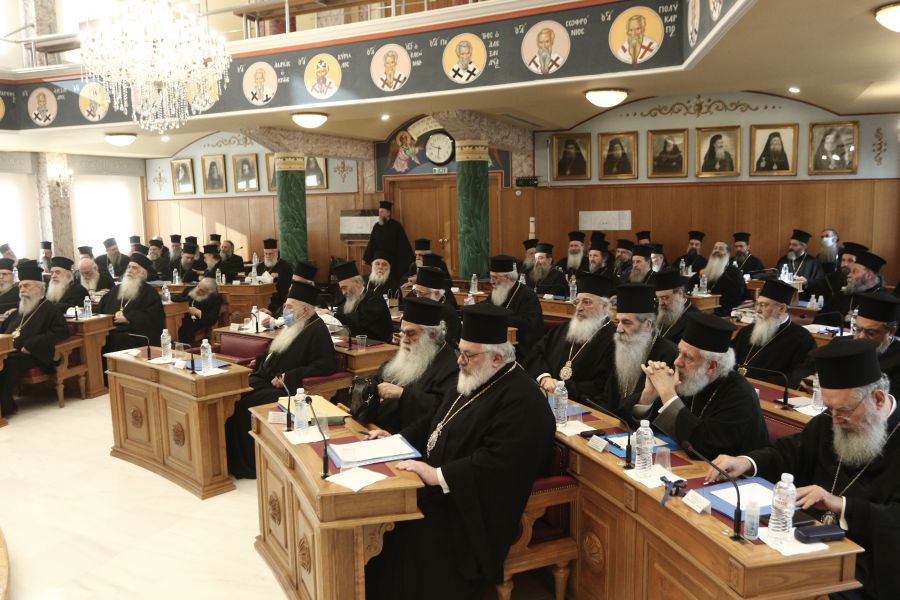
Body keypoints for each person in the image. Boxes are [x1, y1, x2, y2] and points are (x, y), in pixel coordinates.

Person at [365, 303, 555, 599]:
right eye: (460, 352)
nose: (460, 361)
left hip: (471, 510)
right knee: (381, 517)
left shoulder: (524, 400)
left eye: (468, 355)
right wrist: (395, 441)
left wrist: (438, 475)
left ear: (497, 358)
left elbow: (500, 464)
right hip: (442, 491)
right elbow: (433, 421)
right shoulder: (472, 377)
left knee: (407, 534)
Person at [709, 339, 900, 600]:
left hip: (869, 565)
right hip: (807, 541)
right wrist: (745, 462)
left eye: (843, 411)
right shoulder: (829, 421)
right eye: (830, 409)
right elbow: (787, 454)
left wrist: (841, 505)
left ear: (877, 399)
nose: (835, 421)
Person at [225, 282, 337, 479]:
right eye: (285, 305)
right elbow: (277, 352)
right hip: (267, 379)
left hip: (289, 390)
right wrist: (260, 360)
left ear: (304, 310)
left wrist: (290, 376)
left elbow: (325, 366)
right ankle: (231, 461)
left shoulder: (317, 329)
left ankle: (249, 465)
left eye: (289, 307)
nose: (284, 310)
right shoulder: (296, 325)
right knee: (232, 394)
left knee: (243, 404)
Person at [631, 312, 770, 456]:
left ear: (711, 366)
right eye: (679, 352)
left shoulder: (740, 396)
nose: (677, 362)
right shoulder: (691, 380)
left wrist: (668, 395)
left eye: (688, 357)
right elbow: (648, 428)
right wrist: (648, 397)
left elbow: (705, 447)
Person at [526, 271, 617, 404]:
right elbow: (537, 352)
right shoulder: (564, 329)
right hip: (546, 395)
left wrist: (561, 386)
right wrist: (545, 377)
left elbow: (602, 384)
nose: (579, 308)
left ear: (604, 307)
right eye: (577, 302)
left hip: (580, 404)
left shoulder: (613, 339)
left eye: (587, 302)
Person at [374, 297, 459, 433]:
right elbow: (383, 374)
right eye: (402, 333)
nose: (404, 340)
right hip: (378, 427)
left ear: (432, 334)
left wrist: (403, 394)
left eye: (410, 333)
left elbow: (442, 408)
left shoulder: (450, 366)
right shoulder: (413, 350)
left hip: (408, 435)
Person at [593, 284, 678, 416]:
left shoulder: (669, 353)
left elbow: (662, 411)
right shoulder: (623, 346)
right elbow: (607, 395)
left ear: (648, 325)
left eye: (626, 322)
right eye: (618, 321)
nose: (618, 329)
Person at [0, 264, 68, 418]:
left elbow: (61, 331)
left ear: (39, 288)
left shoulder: (50, 309)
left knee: (9, 363)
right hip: (10, 351)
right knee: (5, 358)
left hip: (33, 354)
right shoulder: (18, 310)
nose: (22, 289)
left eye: (27, 286)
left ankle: (4, 406)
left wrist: (32, 344)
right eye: (20, 286)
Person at [731, 279, 816, 388]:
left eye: (763, 305)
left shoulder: (802, 338)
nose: (758, 310)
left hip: (770, 391)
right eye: (757, 304)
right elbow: (730, 359)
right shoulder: (746, 331)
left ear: (781, 308)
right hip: (736, 387)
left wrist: (757, 384)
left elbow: (797, 377)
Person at [98, 254, 166, 352]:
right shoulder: (115, 290)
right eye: (129, 267)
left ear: (142, 273)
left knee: (120, 339)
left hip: (134, 334)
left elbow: (154, 318)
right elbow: (102, 308)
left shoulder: (149, 293)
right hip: (112, 330)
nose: (129, 270)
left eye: (134, 268)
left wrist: (128, 318)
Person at [485, 255, 543, 363]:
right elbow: (487, 307)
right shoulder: (497, 291)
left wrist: (500, 318)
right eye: (491, 277)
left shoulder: (527, 295)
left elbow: (529, 325)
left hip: (520, 350)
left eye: (495, 278)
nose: (491, 281)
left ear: (507, 277)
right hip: (496, 344)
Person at [321, 260, 392, 343]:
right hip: (354, 345)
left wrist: (334, 315)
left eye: (345, 288)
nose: (343, 293)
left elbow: (362, 321)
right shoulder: (346, 302)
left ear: (357, 282)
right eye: (341, 289)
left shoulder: (374, 299)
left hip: (379, 346)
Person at [816, 251, 886, 327]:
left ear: (868, 275)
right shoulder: (843, 295)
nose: (849, 275)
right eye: (850, 271)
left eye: (854, 272)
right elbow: (821, 317)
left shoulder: (882, 302)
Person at [689, 240, 746, 315]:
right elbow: (689, 284)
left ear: (727, 254)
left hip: (722, 310)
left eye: (721, 249)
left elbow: (736, 297)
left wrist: (716, 310)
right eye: (715, 248)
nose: (716, 251)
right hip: (702, 306)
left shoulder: (734, 273)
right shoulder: (705, 270)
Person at [807, 242, 868, 307]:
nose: (845, 264)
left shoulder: (863, 282)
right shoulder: (832, 278)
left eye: (850, 261)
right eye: (843, 260)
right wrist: (807, 282)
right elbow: (818, 284)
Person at [363, 201, 415, 275]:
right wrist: (366, 257)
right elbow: (371, 242)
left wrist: (409, 260)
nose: (380, 214)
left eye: (382, 212)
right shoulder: (376, 226)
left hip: (391, 260)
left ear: (388, 213)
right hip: (377, 260)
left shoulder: (396, 226)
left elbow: (403, 245)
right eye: (379, 212)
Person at [654, 268, 699, 344]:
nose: (660, 303)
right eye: (658, 298)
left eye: (665, 298)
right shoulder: (660, 312)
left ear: (680, 293)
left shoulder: (695, 321)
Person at [775, 229, 826, 294]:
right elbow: (775, 277)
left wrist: (806, 282)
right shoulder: (783, 260)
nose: (790, 247)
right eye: (790, 244)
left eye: (794, 245)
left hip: (805, 296)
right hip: (785, 295)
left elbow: (820, 283)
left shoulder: (813, 262)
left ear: (804, 247)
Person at [172, 277, 222, 344]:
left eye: (202, 290)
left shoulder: (215, 299)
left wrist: (198, 312)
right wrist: (184, 300)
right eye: (198, 286)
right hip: (182, 316)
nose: (197, 290)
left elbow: (212, 319)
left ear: (209, 292)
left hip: (198, 321)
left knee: (185, 326)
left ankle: (185, 348)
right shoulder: (189, 290)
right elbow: (175, 297)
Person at [255, 238, 293, 313]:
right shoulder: (260, 267)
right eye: (266, 253)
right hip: (262, 298)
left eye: (270, 253)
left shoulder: (285, 266)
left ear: (276, 253)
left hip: (279, 300)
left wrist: (279, 277)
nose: (268, 256)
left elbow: (287, 285)